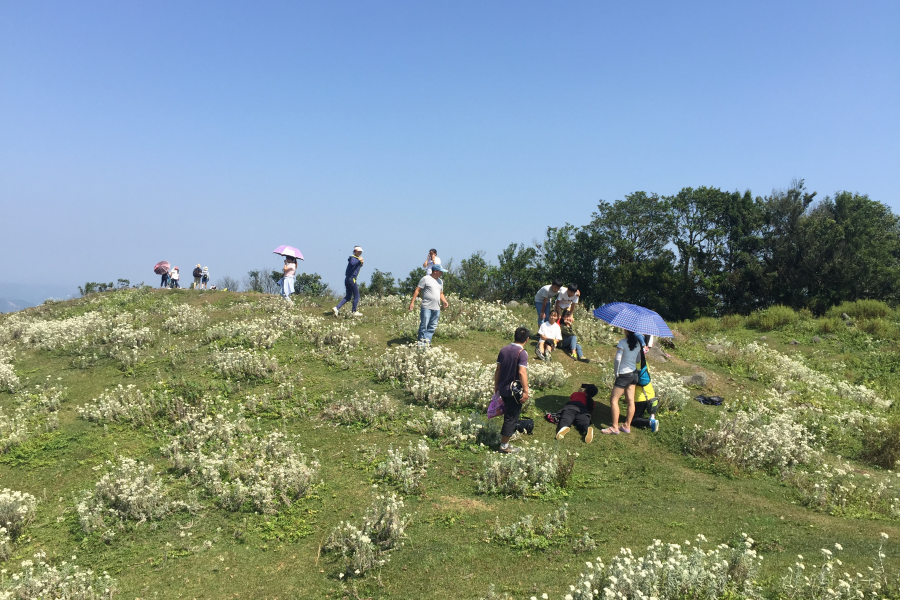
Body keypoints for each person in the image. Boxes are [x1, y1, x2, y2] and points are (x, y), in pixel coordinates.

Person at [493, 326, 531, 454]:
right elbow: (522, 373)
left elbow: (498, 369)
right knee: (511, 416)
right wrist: (525, 391)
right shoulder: (522, 353)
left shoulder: (503, 350)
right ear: (527, 339)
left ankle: (507, 436)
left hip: (503, 388)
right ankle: (504, 445)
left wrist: (496, 385)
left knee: (509, 414)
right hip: (513, 391)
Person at [600, 329, 645, 434]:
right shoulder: (638, 343)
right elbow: (638, 360)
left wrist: (616, 373)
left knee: (614, 399)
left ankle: (615, 427)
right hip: (634, 374)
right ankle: (626, 425)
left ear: (626, 330)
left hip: (624, 374)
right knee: (630, 401)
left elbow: (617, 359)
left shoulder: (622, 342)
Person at [408, 264, 449, 343]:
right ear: (435, 271)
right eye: (441, 272)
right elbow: (417, 290)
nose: (442, 273)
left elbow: (441, 293)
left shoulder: (440, 281)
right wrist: (412, 302)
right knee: (424, 326)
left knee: (432, 327)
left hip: (436, 308)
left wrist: (444, 301)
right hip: (426, 307)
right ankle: (421, 345)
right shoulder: (425, 279)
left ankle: (427, 344)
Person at [333, 247, 364, 317]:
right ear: (355, 251)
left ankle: (336, 308)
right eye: (358, 251)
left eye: (360, 252)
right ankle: (354, 311)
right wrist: (359, 260)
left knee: (348, 296)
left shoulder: (356, 259)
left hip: (347, 279)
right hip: (351, 279)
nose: (359, 253)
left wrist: (361, 262)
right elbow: (353, 263)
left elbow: (356, 266)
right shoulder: (353, 258)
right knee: (357, 295)